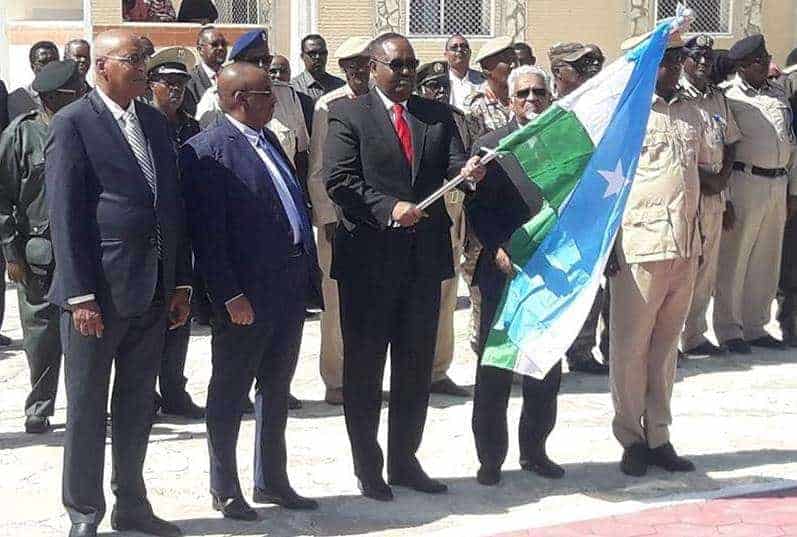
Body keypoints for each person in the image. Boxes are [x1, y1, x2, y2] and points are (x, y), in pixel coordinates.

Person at [324, 32, 484, 501]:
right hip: (368, 265)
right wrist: (389, 207)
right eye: (397, 65)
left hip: (422, 263)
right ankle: (368, 466)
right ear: (373, 67)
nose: (407, 73)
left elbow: (455, 168)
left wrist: (471, 174)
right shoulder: (348, 114)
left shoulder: (436, 116)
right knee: (365, 371)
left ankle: (404, 460)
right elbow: (340, 180)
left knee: (415, 370)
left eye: (412, 65)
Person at [45, 29, 191, 537]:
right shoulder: (73, 123)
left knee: (136, 405)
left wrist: (179, 282)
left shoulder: (153, 122)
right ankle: (84, 513)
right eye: (133, 58)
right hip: (98, 295)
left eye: (145, 58)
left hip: (150, 290)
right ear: (102, 65)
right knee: (87, 409)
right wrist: (80, 295)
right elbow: (65, 216)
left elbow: (170, 207)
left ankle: (132, 504)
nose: (143, 67)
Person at [182, 62, 322, 520]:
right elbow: (208, 238)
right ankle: (225, 487)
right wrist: (229, 295)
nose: (276, 100)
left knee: (276, 389)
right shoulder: (207, 152)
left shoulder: (270, 141)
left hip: (287, 289)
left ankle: (272, 479)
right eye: (267, 94)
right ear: (241, 99)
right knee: (229, 393)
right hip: (245, 298)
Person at [610, 34, 703, 478]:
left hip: (685, 244)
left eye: (679, 56)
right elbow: (604, 187)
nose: (677, 64)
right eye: (668, 57)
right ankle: (631, 438)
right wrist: (610, 245)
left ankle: (659, 435)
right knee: (630, 348)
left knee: (666, 350)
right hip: (640, 247)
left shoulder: (689, 110)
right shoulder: (624, 113)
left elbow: (701, 170)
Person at [467, 65, 562, 486]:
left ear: (550, 96)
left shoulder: (563, 142)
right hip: (503, 269)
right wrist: (497, 247)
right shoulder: (490, 147)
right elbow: (477, 208)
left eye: (539, 92)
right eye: (522, 94)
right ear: (509, 101)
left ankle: (535, 450)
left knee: (544, 367)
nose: (531, 100)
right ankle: (490, 458)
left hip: (552, 271)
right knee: (495, 369)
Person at [0, 61, 83, 435]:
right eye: (74, 93)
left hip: (81, 249)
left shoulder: (86, 129)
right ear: (52, 98)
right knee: (40, 336)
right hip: (38, 252)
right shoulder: (20, 135)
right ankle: (39, 406)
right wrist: (10, 252)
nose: (81, 96)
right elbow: (3, 196)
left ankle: (85, 405)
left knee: (85, 333)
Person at [714, 34, 797, 353]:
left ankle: (755, 325)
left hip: (778, 182)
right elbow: (722, 148)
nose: (766, 65)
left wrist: (792, 191)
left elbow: (790, 142)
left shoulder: (778, 93)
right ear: (743, 66)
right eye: (759, 61)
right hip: (745, 182)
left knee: (767, 258)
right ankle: (729, 328)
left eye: (766, 59)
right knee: (735, 258)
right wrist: (725, 199)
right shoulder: (729, 96)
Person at [307, 36, 371, 406]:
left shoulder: (382, 101)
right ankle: (335, 379)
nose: (359, 70)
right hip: (339, 220)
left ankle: (366, 377)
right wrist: (327, 216)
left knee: (372, 302)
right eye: (352, 65)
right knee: (334, 305)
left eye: (364, 62)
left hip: (377, 218)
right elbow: (318, 168)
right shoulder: (328, 105)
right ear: (343, 68)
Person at [146, 47, 205, 420]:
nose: (176, 89)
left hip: (185, 230)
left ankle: (173, 389)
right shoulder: (141, 124)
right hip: (151, 234)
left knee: (179, 311)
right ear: (151, 84)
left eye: (181, 83)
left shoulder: (191, 127)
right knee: (147, 318)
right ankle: (144, 392)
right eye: (168, 82)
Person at [549, 42, 610, 374]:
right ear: (558, 72)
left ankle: (582, 350)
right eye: (580, 66)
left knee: (592, 282)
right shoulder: (549, 111)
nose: (590, 72)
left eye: (593, 64)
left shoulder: (600, 108)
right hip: (555, 210)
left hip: (593, 206)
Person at [196, 30, 310, 207]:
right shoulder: (215, 99)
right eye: (255, 61)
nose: (262, 66)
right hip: (244, 199)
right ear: (238, 64)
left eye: (266, 59)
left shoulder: (287, 95)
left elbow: (301, 155)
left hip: (285, 195)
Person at [678, 35, 741, 357]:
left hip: (715, 195)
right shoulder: (676, 97)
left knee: (706, 272)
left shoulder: (717, 97)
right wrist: (707, 180)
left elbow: (730, 142)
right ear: (684, 60)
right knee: (682, 270)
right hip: (687, 194)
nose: (703, 61)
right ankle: (672, 338)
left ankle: (695, 335)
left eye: (707, 55)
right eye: (696, 55)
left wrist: (723, 186)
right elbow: (677, 153)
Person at [415, 60, 473, 397]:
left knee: (447, 299)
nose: (439, 92)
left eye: (443, 86)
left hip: (455, 216)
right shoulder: (415, 116)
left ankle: (438, 370)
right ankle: (413, 369)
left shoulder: (457, 118)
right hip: (422, 218)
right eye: (432, 85)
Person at [462, 36, 516, 353]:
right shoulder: (476, 106)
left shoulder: (521, 99)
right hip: (487, 204)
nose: (512, 63)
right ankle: (480, 342)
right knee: (482, 284)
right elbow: (472, 157)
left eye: (512, 56)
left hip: (517, 203)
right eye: (504, 59)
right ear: (487, 69)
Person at [291, 34, 345, 129]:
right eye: (312, 54)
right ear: (302, 56)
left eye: (322, 53)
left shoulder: (340, 86)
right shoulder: (293, 88)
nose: (317, 57)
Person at [8, 41, 59, 121]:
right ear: (33, 67)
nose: (49, 67)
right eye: (43, 62)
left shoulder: (69, 95)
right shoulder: (18, 98)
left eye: (53, 62)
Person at [183, 27, 227, 117]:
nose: (221, 48)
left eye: (224, 44)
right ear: (200, 50)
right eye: (215, 45)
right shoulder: (190, 80)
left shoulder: (230, 76)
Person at [444, 33, 485, 112]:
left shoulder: (483, 81)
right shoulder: (440, 82)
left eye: (463, 46)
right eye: (454, 47)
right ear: (446, 55)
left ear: (470, 53)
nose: (460, 49)